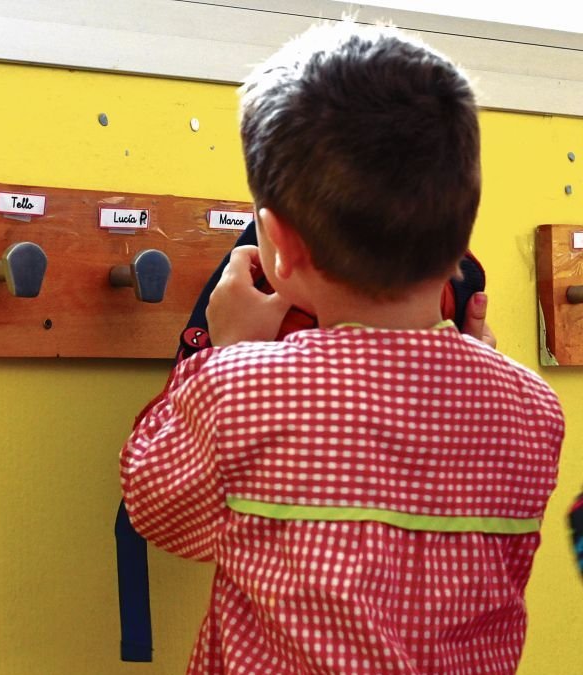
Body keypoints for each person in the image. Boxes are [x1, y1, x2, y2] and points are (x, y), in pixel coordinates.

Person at [119, 22, 564, 674]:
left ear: (279, 242)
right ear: (462, 231)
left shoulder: (240, 387)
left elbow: (160, 512)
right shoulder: (533, 406)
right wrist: (488, 365)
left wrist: (222, 350)